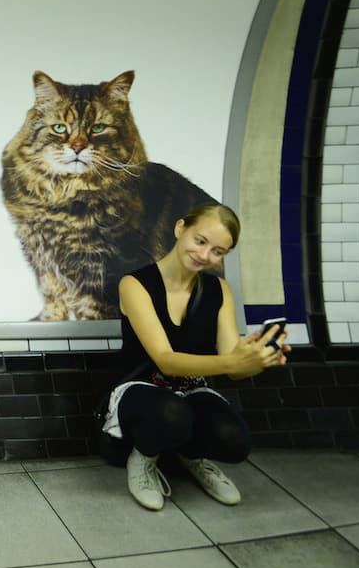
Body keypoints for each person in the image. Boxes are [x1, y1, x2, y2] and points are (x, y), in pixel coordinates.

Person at [102, 202, 290, 510]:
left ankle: (191, 457)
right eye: (200, 241)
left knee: (235, 441)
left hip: (190, 390)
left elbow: (233, 367)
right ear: (180, 229)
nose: (205, 256)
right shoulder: (135, 285)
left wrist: (258, 359)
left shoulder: (220, 290)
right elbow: (166, 359)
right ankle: (143, 458)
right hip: (140, 389)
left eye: (217, 251)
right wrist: (231, 362)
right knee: (171, 414)